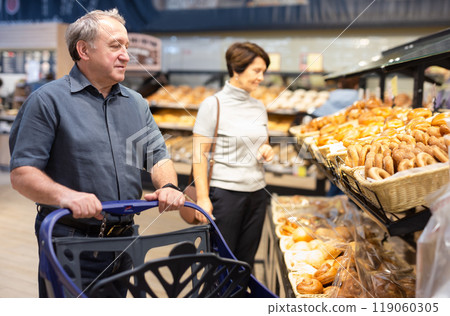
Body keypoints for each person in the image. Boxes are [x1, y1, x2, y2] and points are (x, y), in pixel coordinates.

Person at [9, 8, 185, 297]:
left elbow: (157, 156)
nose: (126, 55)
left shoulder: (136, 103)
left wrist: (167, 185)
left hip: (126, 240)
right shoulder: (47, 101)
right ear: (84, 50)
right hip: (70, 241)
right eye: (116, 46)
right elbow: (21, 174)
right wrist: (67, 196)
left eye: (127, 47)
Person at [191, 42, 274, 268]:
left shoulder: (259, 106)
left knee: (244, 264)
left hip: (257, 194)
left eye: (263, 72)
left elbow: (262, 144)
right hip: (225, 196)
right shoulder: (213, 105)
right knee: (221, 264)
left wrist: (266, 151)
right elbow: (200, 155)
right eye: (256, 71)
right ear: (237, 69)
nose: (261, 78)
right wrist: (202, 198)